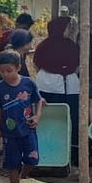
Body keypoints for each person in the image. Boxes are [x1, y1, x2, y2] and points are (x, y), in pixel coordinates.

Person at [35, 15, 81, 163]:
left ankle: (68, 152)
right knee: (55, 119)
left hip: (63, 85)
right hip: (53, 85)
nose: (69, 30)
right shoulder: (50, 46)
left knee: (68, 118)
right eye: (67, 27)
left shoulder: (46, 45)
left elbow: (37, 64)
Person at [0, 50, 43, 183]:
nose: (5, 74)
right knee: (12, 163)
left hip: (28, 129)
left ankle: (23, 177)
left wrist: (37, 117)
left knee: (32, 159)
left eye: (9, 71)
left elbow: (39, 101)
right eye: (2, 71)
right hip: (9, 134)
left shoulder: (29, 83)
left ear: (18, 68)